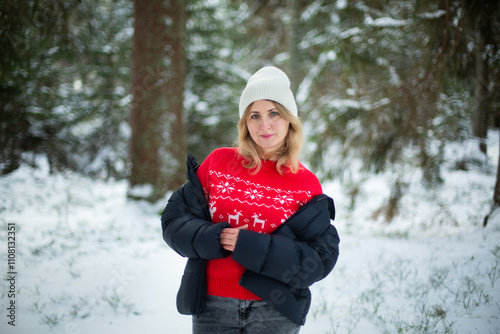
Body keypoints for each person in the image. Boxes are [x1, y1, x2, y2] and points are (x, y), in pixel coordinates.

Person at [161, 66, 340, 333]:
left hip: (275, 312)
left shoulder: (306, 184)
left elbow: (318, 260)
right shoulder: (218, 164)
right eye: (254, 115)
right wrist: (215, 237)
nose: (264, 125)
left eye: (274, 113)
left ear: (290, 119)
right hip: (213, 308)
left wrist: (251, 246)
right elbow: (174, 221)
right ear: (245, 122)